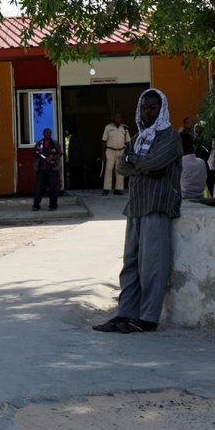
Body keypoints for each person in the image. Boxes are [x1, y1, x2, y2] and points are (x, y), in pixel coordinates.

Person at [93, 88, 182, 334]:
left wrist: (138, 164)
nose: (149, 112)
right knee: (130, 264)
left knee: (152, 264)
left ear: (162, 108)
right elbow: (122, 166)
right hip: (135, 206)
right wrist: (142, 166)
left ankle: (148, 318)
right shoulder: (140, 137)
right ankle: (125, 314)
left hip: (157, 205)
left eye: (153, 107)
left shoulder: (170, 138)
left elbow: (155, 162)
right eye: (145, 108)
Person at [101, 113, 131, 195]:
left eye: (120, 118)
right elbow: (104, 141)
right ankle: (106, 189)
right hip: (110, 151)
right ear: (113, 119)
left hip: (121, 151)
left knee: (120, 170)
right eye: (117, 117)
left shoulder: (125, 128)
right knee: (108, 169)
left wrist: (127, 153)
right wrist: (103, 154)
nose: (119, 119)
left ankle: (118, 189)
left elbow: (128, 141)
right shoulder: (108, 127)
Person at [32, 127, 61, 211]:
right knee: (38, 189)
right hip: (41, 170)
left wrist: (52, 157)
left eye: (49, 133)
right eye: (46, 133)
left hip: (52, 170)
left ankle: (53, 205)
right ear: (43, 134)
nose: (48, 134)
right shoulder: (39, 143)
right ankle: (36, 205)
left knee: (53, 189)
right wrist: (38, 154)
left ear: (51, 134)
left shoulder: (55, 143)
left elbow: (59, 154)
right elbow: (34, 153)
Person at [179, 132, 206, 200]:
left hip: (183, 202)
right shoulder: (201, 163)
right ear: (193, 146)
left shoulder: (178, 164)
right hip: (200, 200)